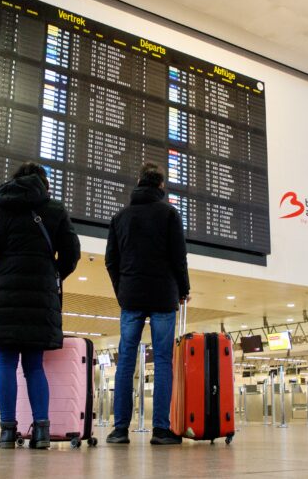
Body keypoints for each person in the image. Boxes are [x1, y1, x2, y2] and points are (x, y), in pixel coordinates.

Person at [0, 162, 80, 449]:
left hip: (5, 292)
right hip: (39, 295)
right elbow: (72, 252)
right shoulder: (54, 209)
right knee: (34, 365)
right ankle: (42, 431)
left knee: (6, 362)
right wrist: (53, 273)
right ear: (43, 183)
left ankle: (8, 431)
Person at [104, 162, 190, 445]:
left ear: (139, 181)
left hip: (131, 296)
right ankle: (161, 430)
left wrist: (122, 291)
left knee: (126, 361)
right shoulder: (169, 214)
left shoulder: (120, 217)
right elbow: (179, 257)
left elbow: (111, 261)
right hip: (163, 296)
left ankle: (119, 430)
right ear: (161, 186)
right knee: (164, 361)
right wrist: (183, 289)